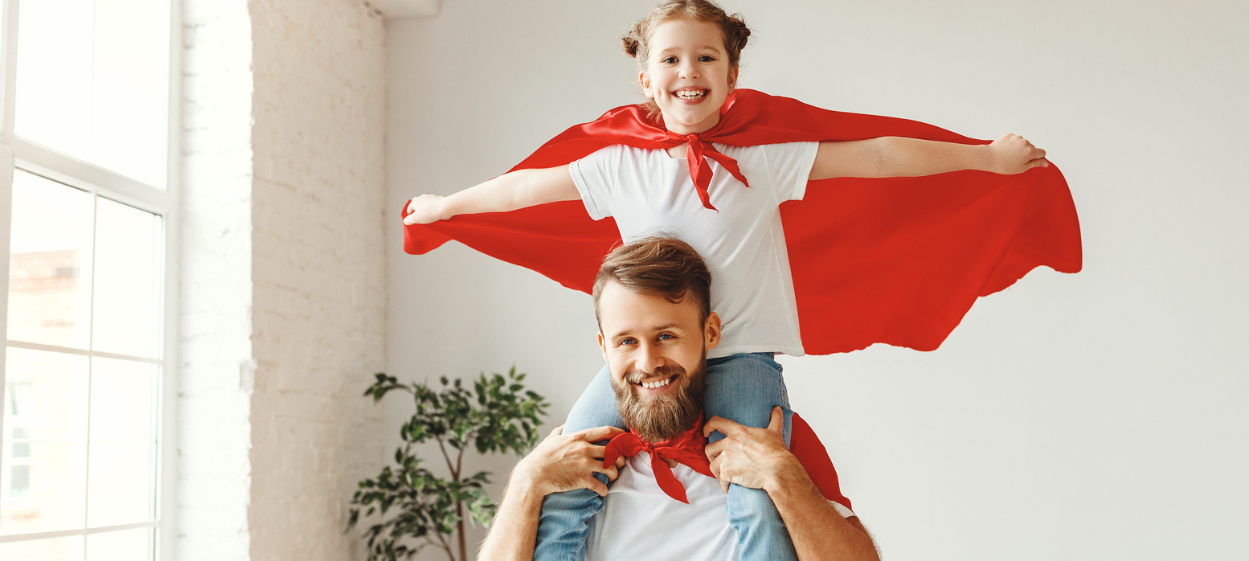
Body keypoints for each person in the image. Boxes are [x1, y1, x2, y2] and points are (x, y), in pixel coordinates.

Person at [402, 1, 1081, 559]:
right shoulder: (617, 165)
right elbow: (523, 190)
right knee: (560, 476)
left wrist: (985, 158)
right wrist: (445, 207)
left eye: (705, 57)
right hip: (652, 351)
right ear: (644, 79)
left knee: (756, 493)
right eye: (669, 58)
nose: (687, 71)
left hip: (741, 356)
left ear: (731, 75)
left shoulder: (762, 158)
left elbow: (874, 157)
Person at [478, 236, 879, 561]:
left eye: (666, 336)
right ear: (604, 347)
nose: (648, 362)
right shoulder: (570, 456)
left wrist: (785, 479)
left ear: (710, 334)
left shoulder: (769, 437)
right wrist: (524, 485)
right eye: (627, 342)